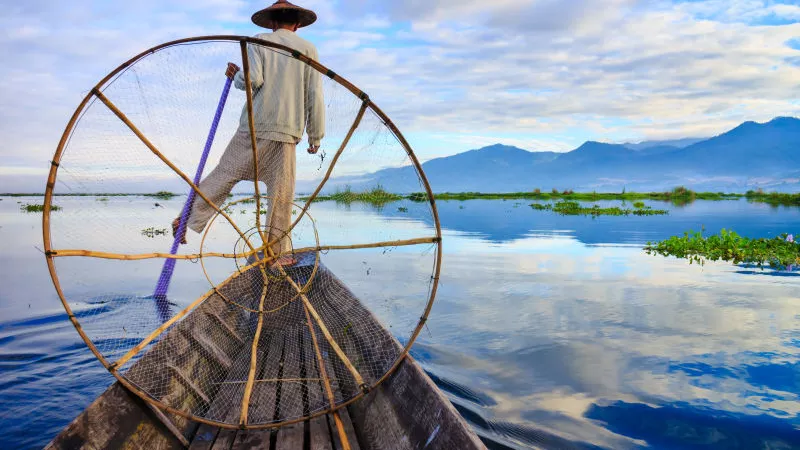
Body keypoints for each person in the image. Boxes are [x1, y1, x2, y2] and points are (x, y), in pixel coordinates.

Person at [174, 0, 324, 267]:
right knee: (280, 194)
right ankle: (277, 254)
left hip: (255, 126)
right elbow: (314, 94)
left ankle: (186, 218)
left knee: (224, 174)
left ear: (274, 23)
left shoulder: (260, 40)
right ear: (297, 25)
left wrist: (236, 76)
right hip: (287, 130)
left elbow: (251, 80)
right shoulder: (309, 48)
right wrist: (315, 136)